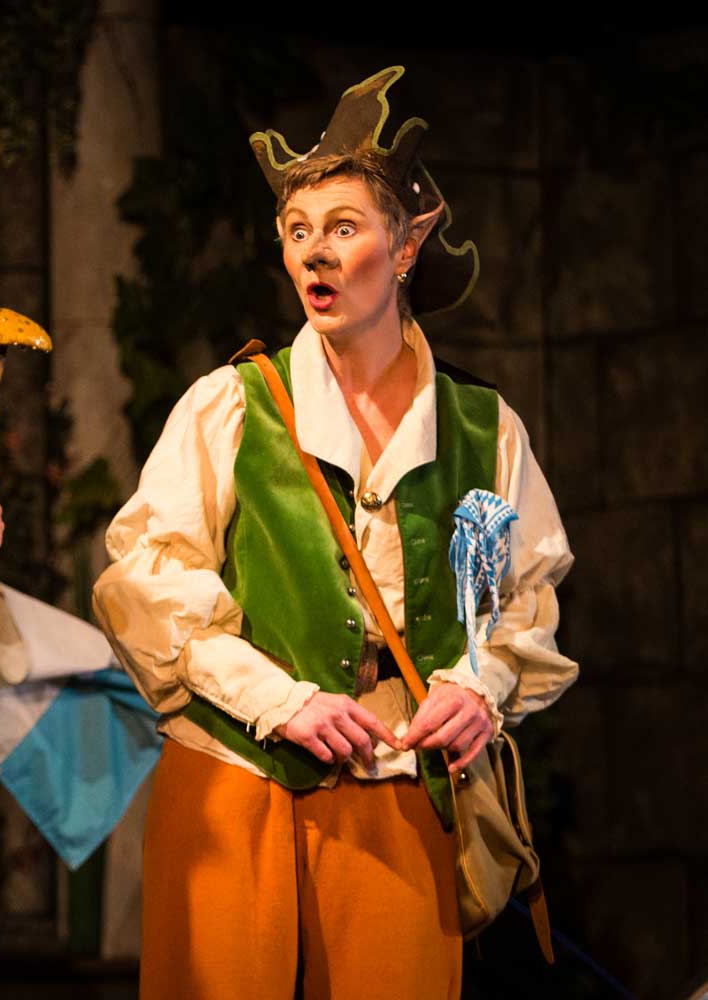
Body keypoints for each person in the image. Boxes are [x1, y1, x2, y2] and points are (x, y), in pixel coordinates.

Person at [92, 67, 578, 999]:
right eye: (298, 232)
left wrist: (481, 688)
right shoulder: (230, 407)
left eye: (344, 229)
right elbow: (146, 576)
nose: (315, 254)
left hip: (399, 783)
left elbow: (526, 600)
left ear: (405, 246)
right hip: (237, 775)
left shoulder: (483, 428)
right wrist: (280, 699)